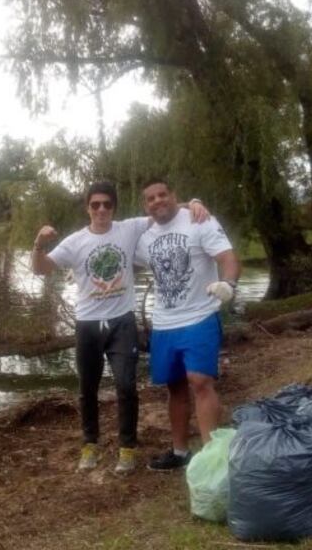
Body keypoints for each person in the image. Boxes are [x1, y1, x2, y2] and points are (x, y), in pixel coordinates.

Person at [31, 181, 208, 474]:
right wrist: (39, 243)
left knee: (126, 386)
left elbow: (164, 209)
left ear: (114, 207)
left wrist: (195, 202)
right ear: (88, 208)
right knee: (87, 388)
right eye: (95, 204)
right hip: (87, 324)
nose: (101, 209)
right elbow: (40, 269)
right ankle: (90, 444)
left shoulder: (129, 228)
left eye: (107, 204)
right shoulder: (75, 242)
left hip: (122, 322)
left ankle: (127, 448)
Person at [135, 177, 241, 471]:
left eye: (163, 195)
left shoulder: (200, 220)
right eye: (151, 198)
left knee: (200, 381)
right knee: (175, 388)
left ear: (173, 194)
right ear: (145, 205)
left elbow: (228, 258)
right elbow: (114, 245)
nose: (158, 201)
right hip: (164, 323)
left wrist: (228, 284)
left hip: (200, 316)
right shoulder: (144, 236)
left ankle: (210, 455)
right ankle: (180, 452)